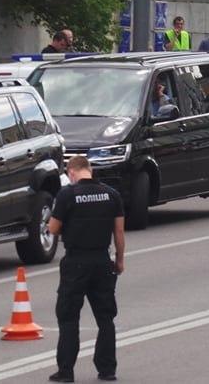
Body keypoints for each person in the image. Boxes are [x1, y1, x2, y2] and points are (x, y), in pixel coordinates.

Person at [47, 156, 125, 382]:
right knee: (105, 317)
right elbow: (118, 232)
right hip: (102, 260)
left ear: (71, 172)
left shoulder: (67, 195)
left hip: (76, 262)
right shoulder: (112, 194)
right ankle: (107, 369)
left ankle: (66, 371)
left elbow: (53, 228)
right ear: (89, 170)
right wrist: (119, 260)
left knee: (68, 316)